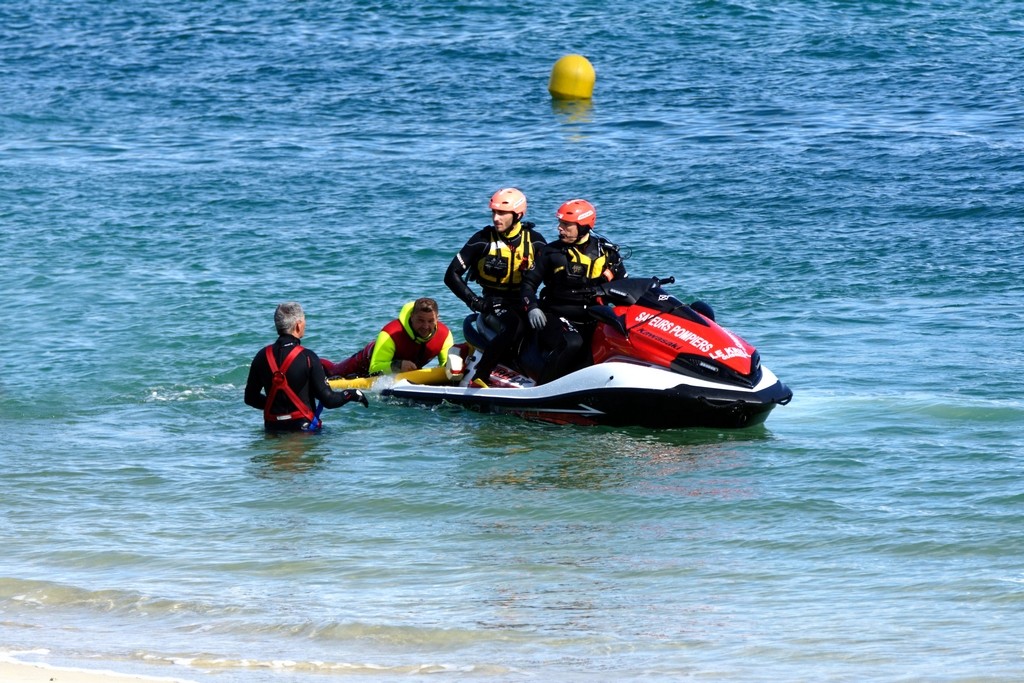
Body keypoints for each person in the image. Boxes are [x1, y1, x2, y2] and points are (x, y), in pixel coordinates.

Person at [444, 187, 546, 387]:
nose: (496, 218)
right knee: (514, 327)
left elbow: (553, 272)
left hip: (525, 302)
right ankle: (480, 376)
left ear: (517, 215)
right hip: (495, 304)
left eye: (502, 213)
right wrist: (476, 302)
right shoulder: (482, 240)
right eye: (494, 212)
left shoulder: (534, 241)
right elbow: (451, 275)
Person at [520, 199, 627, 383]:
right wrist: (532, 307)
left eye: (566, 225)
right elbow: (527, 285)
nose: (560, 228)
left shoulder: (607, 254)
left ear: (584, 227)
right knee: (573, 342)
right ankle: (543, 387)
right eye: (560, 223)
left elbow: (625, 289)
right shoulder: (550, 252)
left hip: (594, 318)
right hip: (556, 315)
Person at [245, 302, 368, 431]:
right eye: (304, 320)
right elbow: (329, 400)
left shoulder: (261, 356)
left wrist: (277, 407)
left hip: (272, 430)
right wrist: (352, 394)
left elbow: (250, 398)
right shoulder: (308, 357)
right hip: (304, 432)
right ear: (298, 325)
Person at [320, 298, 458, 378]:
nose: (426, 326)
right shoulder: (390, 333)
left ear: (437, 319)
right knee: (333, 372)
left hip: (399, 372)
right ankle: (311, 362)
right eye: (420, 320)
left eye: (430, 321)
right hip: (365, 362)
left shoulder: (444, 335)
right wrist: (397, 365)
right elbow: (374, 369)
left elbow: (446, 369)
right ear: (411, 317)